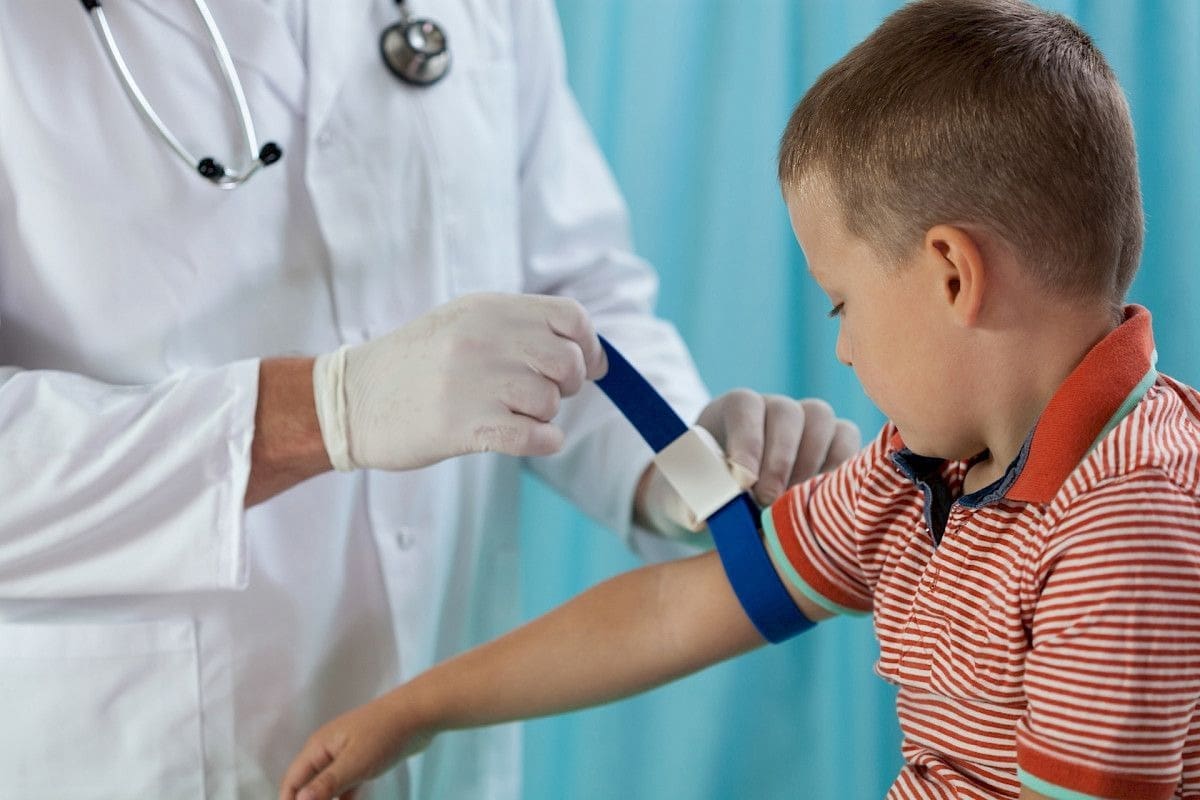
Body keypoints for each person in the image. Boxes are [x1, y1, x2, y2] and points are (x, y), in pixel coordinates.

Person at [278, 1, 1200, 798]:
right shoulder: (927, 465)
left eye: (842, 303)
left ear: (952, 275)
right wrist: (414, 711)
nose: (841, 348)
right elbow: (674, 613)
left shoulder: (1127, 523)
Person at [0, 1, 860, 798]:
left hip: (442, 728)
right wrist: (322, 411)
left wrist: (684, 468)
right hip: (138, 742)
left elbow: (568, 300)